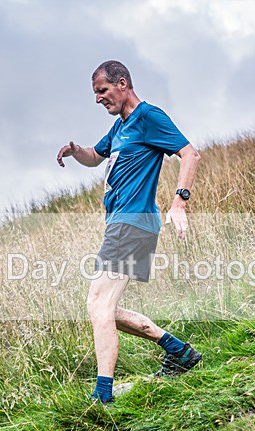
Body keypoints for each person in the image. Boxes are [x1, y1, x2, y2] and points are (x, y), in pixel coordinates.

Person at [56, 60, 203, 404]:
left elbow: (190, 154)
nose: (98, 99)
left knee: (97, 304)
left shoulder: (148, 117)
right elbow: (96, 156)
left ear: (122, 84)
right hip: (126, 224)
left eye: (102, 91)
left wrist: (179, 203)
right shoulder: (120, 127)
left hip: (131, 221)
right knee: (105, 308)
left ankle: (102, 396)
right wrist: (76, 151)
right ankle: (178, 352)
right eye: (95, 94)